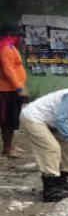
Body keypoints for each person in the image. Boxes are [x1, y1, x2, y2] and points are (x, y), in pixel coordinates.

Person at [0, 26, 27, 158]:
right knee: (8, 121)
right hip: (7, 90)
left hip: (13, 89)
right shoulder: (5, 48)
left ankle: (10, 146)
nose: (21, 39)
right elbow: (8, 70)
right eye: (20, 36)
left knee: (12, 120)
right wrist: (19, 87)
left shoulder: (10, 46)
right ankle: (7, 149)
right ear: (11, 35)